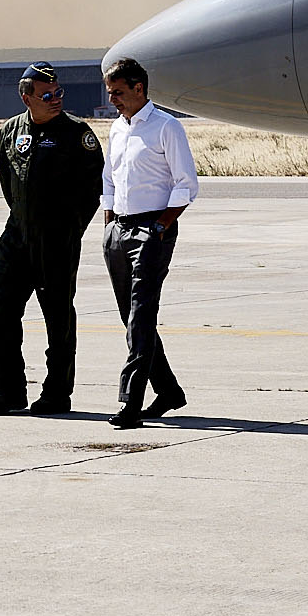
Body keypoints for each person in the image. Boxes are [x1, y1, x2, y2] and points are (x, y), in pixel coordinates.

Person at [0, 64, 103, 415]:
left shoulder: (77, 134)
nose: (55, 100)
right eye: (46, 95)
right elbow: (8, 181)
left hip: (57, 238)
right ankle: (8, 389)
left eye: (58, 93)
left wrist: (68, 229)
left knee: (58, 318)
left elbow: (93, 190)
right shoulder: (9, 132)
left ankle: (56, 392)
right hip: (17, 234)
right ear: (26, 97)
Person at [98, 56, 197, 430]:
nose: (114, 100)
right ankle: (169, 391)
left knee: (141, 317)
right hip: (118, 231)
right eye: (111, 93)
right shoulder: (117, 129)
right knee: (130, 317)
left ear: (140, 89)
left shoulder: (165, 127)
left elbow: (186, 184)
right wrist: (109, 223)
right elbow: (109, 178)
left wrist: (159, 226)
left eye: (119, 93)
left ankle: (130, 401)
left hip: (151, 231)